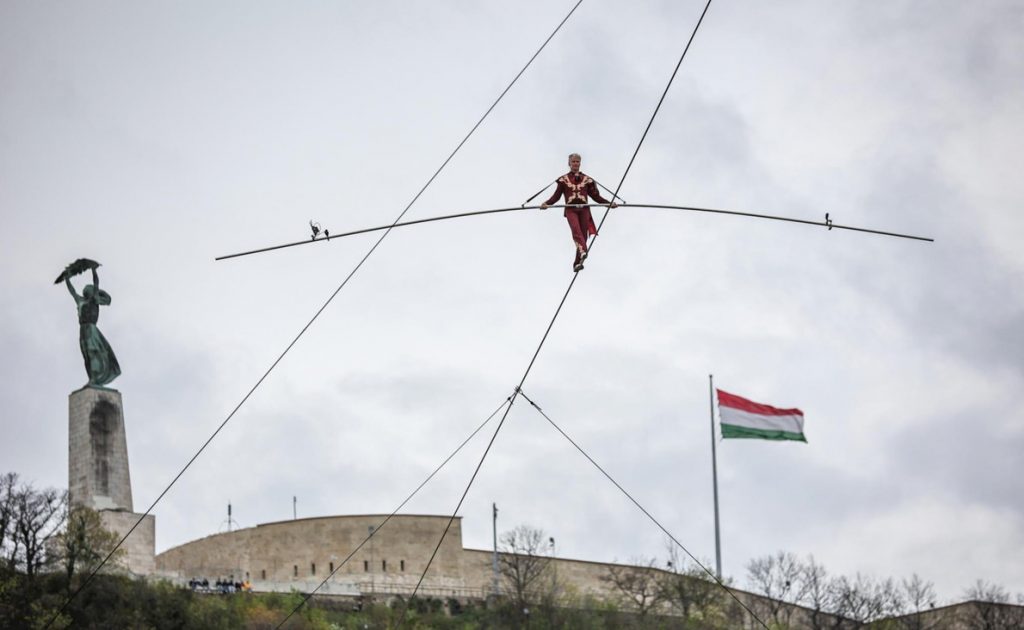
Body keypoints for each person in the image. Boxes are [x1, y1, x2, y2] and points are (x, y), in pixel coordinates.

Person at [540, 153, 617, 271]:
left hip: (584, 209)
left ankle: (576, 263)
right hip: (571, 209)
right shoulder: (563, 180)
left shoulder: (587, 179)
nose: (575, 164)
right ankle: (583, 251)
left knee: (583, 236)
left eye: (577, 162)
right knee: (576, 231)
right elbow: (556, 196)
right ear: (569, 163)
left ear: (580, 163)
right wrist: (547, 203)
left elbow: (596, 197)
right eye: (573, 162)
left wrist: (608, 203)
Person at [64, 265, 121, 387]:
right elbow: (72, 291)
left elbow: (96, 284)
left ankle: (95, 377)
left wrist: (93, 270)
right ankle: (91, 378)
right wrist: (66, 278)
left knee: (92, 352)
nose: (85, 291)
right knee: (86, 355)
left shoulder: (94, 300)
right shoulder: (80, 301)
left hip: (91, 329)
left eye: (87, 290)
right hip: (83, 329)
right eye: (85, 290)